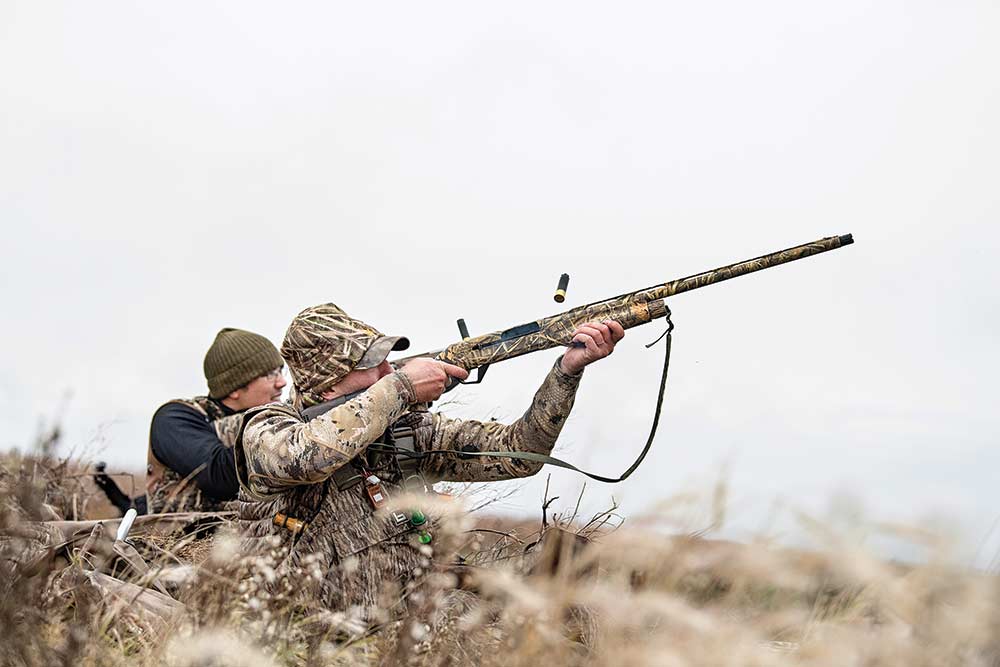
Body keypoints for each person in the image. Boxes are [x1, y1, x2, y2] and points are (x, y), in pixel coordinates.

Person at [234, 303, 624, 616]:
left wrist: (566, 373)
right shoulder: (267, 430)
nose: (389, 371)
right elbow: (308, 457)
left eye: (389, 362)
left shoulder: (404, 430)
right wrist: (402, 388)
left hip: (413, 617)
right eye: (372, 367)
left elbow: (519, 453)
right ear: (329, 386)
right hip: (309, 629)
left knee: (559, 607)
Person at [146, 327, 286, 513]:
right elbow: (219, 477)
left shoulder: (263, 416)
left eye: (280, 371)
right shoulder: (174, 419)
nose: (282, 382)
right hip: (184, 539)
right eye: (269, 374)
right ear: (234, 388)